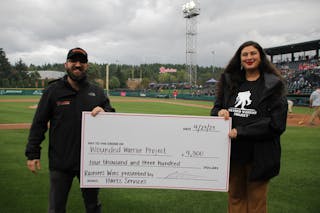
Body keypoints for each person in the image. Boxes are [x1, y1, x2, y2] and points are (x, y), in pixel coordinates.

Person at [25, 47, 115, 213]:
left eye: (82, 61)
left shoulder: (97, 92)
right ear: (66, 64)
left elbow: (112, 115)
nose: (78, 65)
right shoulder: (53, 91)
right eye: (73, 61)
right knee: (56, 208)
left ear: (87, 66)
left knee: (93, 207)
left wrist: (106, 112)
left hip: (90, 162)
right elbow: (39, 122)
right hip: (60, 162)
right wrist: (33, 153)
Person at [210, 41, 288, 213]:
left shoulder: (274, 84)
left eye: (253, 53)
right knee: (235, 197)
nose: (249, 57)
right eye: (244, 54)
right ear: (239, 59)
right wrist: (219, 112)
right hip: (233, 152)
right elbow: (215, 109)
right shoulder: (230, 82)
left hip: (260, 154)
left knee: (256, 201)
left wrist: (241, 131)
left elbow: (277, 124)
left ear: (260, 57)